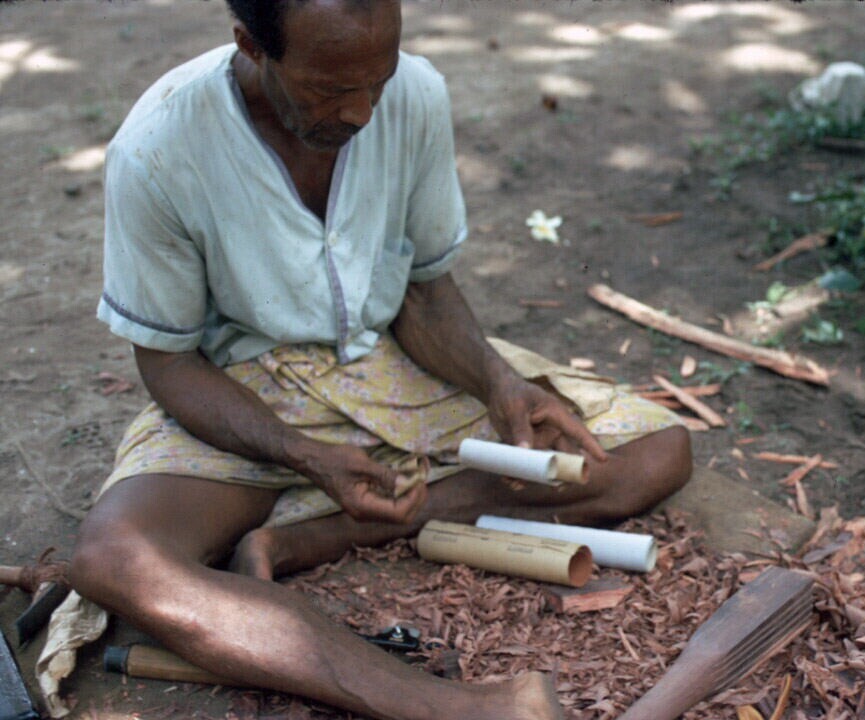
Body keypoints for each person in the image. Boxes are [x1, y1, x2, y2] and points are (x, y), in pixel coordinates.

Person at [68, 1, 692, 718]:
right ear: (251, 47)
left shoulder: (416, 94)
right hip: (245, 394)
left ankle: (320, 532)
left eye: (378, 79)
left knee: (654, 453)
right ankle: (452, 708)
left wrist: (499, 383)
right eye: (330, 90)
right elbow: (171, 365)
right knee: (115, 557)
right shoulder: (157, 150)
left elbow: (422, 291)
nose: (362, 111)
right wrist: (303, 455)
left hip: (390, 360)